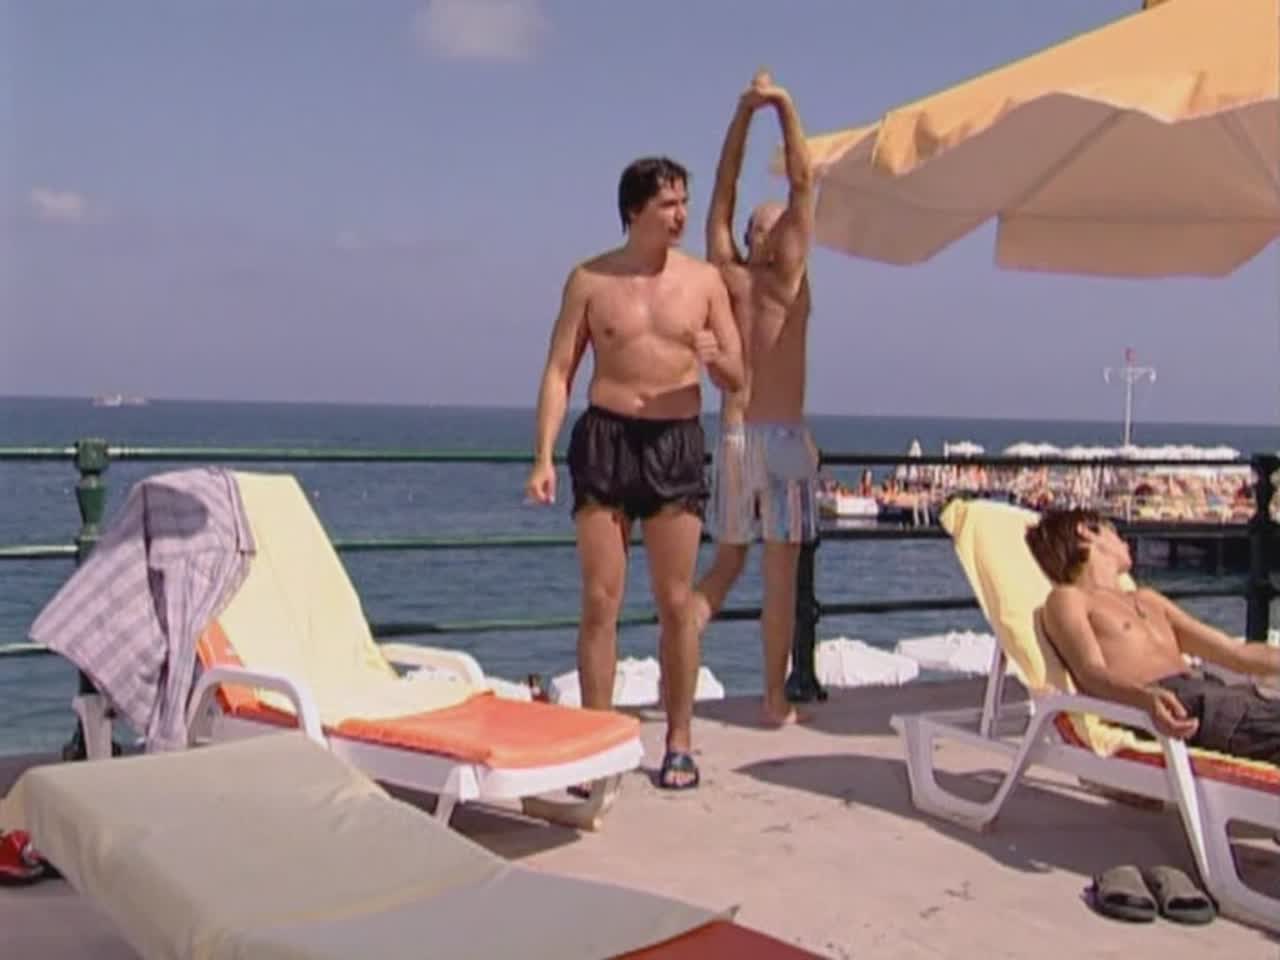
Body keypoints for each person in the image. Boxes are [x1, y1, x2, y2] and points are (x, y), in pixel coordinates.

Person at [525, 156, 744, 790]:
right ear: (635, 210)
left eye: (683, 202)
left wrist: (716, 359)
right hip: (607, 440)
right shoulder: (590, 280)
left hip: (675, 442)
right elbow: (559, 370)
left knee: (676, 603)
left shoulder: (704, 282)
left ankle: (679, 741)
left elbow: (738, 375)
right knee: (601, 600)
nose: (681, 215)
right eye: (668, 204)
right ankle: (597, 747)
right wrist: (542, 455)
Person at [685, 71, 818, 727]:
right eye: (768, 224)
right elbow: (796, 182)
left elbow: (727, 190)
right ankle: (771, 698)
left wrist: (748, 112)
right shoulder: (776, 276)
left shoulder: (735, 274)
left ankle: (687, 647)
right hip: (778, 440)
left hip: (739, 436)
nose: (777, 227)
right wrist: (778, 106)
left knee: (730, 563)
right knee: (776, 578)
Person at [1027, 508, 1280, 761]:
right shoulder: (1069, 599)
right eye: (1114, 531)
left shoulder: (1148, 600)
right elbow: (1090, 673)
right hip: (1176, 706)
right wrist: (1144, 699)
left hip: (1223, 697)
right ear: (1085, 532)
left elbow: (1236, 654)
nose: (1124, 541)